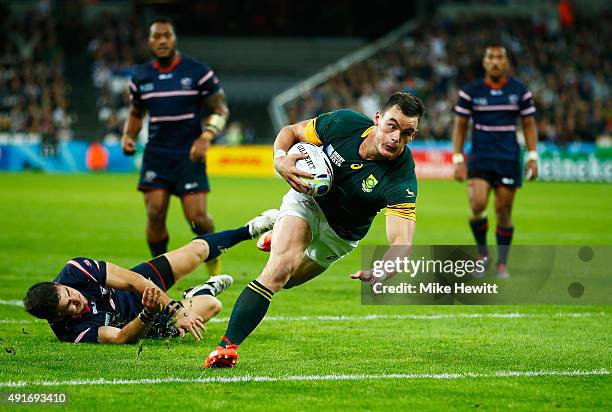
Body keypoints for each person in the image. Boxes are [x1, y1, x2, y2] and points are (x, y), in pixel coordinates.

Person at [205, 92, 425, 368]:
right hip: (308, 201)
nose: (396, 138)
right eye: (392, 126)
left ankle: (280, 237)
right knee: (278, 270)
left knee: (289, 280)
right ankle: (227, 347)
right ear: (378, 119)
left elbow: (402, 241)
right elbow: (292, 131)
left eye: (407, 133)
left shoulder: (401, 177)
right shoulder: (344, 123)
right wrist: (280, 158)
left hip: (341, 235)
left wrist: (382, 270)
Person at [23, 210, 278, 344]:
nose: (75, 300)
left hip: (137, 285)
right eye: (67, 306)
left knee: (197, 251)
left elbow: (134, 281)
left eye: (68, 294)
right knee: (212, 306)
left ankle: (249, 229)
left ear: (60, 285)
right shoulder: (71, 332)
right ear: (56, 317)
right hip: (142, 321)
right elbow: (121, 337)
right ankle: (201, 292)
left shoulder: (75, 271)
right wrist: (149, 313)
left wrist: (176, 308)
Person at [121, 16, 229, 275]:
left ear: (174, 38)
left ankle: (212, 260)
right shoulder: (140, 76)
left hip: (189, 155)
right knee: (155, 213)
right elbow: (137, 112)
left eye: (166, 35)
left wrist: (206, 136)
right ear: (149, 41)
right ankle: (160, 272)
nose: (161, 41)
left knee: (198, 219)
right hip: (157, 154)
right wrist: (128, 136)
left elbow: (220, 108)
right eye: (156, 36)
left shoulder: (198, 71)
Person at [451, 46, 538, 278]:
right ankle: (483, 255)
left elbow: (529, 125)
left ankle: (502, 263)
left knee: (503, 211)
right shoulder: (471, 91)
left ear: (507, 62)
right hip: (480, 156)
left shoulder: (520, 91)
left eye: (500, 58)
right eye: (491, 57)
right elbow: (460, 126)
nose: (496, 62)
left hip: (508, 158)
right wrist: (458, 158)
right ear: (484, 62)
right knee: (477, 205)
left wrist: (532, 156)